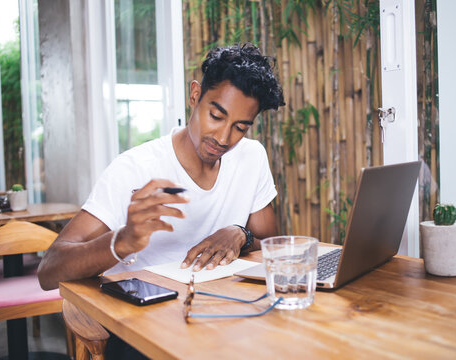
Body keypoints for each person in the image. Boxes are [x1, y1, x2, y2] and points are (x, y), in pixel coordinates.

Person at [37, 43, 285, 291]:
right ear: (195, 95)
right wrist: (123, 240)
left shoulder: (251, 157)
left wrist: (240, 234)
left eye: (240, 128)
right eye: (216, 117)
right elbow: (48, 272)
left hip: (222, 310)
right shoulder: (135, 168)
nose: (223, 138)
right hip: (143, 318)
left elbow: (274, 248)